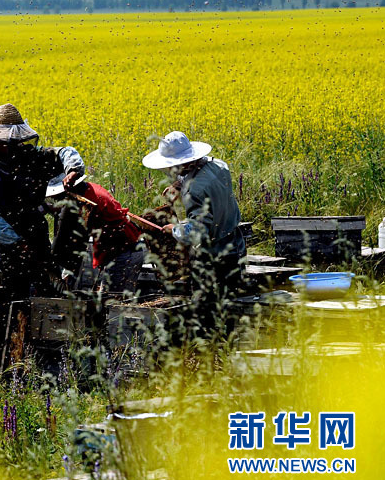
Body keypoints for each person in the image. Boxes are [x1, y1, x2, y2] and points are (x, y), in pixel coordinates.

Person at [0, 103, 85, 300]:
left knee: (51, 292)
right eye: (3, 142)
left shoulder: (31, 156)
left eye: (14, 142)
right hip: (11, 245)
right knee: (17, 296)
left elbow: (65, 152)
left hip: (38, 236)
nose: (10, 147)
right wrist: (18, 244)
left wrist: (72, 170)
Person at [142, 131, 245, 339]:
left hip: (213, 257)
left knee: (207, 311)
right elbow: (202, 178)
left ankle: (211, 352)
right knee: (230, 302)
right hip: (235, 244)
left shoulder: (194, 191)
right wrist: (181, 183)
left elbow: (198, 231)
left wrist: (175, 229)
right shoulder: (220, 166)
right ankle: (228, 345)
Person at [47, 176, 144, 295]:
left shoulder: (88, 202)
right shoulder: (89, 190)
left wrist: (66, 268)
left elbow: (74, 239)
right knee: (108, 299)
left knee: (114, 304)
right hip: (121, 251)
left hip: (125, 253)